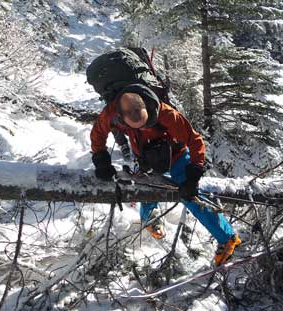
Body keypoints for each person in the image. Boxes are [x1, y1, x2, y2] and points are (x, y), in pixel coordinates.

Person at [90, 83, 241, 265]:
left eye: (146, 123)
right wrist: (101, 160)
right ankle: (150, 218)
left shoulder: (166, 114)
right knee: (145, 188)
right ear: (121, 117)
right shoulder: (111, 113)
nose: (143, 127)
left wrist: (193, 175)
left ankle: (227, 238)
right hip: (145, 156)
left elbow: (195, 140)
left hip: (176, 154)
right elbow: (97, 133)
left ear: (147, 109)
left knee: (190, 196)